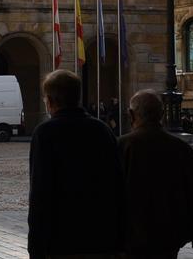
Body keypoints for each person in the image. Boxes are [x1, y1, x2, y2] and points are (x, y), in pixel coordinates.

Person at [26, 70, 125, 258]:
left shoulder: (45, 133)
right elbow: (117, 184)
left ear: (51, 100)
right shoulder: (101, 130)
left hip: (61, 238)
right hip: (101, 236)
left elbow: (40, 192)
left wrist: (35, 246)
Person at [119, 90, 193, 258]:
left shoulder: (122, 147)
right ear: (162, 114)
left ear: (131, 115)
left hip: (130, 239)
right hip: (169, 239)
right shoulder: (181, 149)